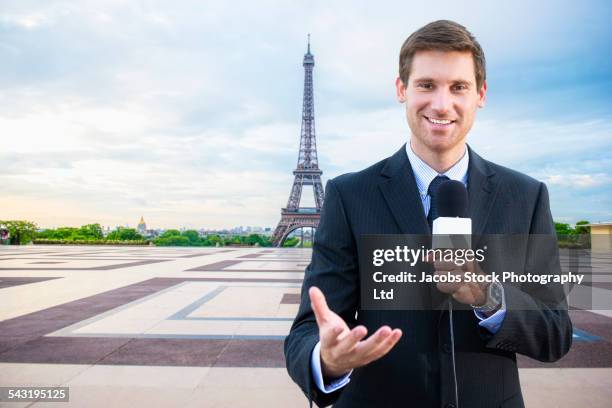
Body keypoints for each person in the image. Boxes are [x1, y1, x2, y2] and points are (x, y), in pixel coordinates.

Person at [284, 20, 572, 408]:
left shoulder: (526, 196)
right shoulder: (349, 195)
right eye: (426, 85)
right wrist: (328, 359)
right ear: (401, 89)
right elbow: (306, 331)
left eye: (458, 87)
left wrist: (487, 295)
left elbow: (555, 333)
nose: (441, 104)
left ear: (480, 94)